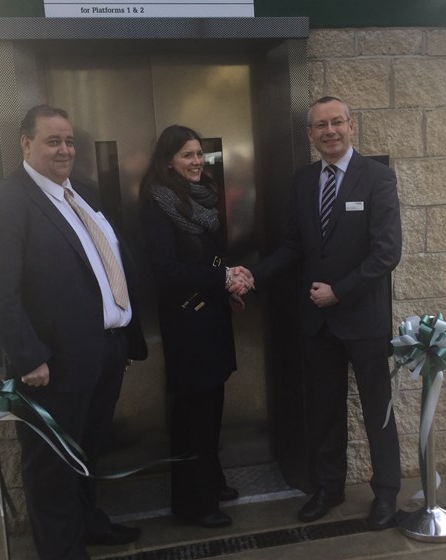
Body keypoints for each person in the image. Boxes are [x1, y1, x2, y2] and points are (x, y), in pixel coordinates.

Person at [0, 104, 148, 559]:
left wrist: (121, 336)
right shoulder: (2, 205)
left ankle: (89, 524)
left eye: (68, 140)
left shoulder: (83, 192)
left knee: (87, 452)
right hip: (51, 365)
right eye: (53, 141)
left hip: (104, 352)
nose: (64, 149)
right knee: (51, 465)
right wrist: (28, 357)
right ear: (26, 144)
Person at [236, 96, 402, 530]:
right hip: (318, 323)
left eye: (336, 122)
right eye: (320, 126)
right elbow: (294, 246)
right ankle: (329, 489)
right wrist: (253, 276)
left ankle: (386, 495)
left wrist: (339, 292)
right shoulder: (303, 181)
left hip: (363, 321)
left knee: (377, 412)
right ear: (309, 135)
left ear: (351, 125)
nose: (329, 131)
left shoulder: (378, 178)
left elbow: (386, 254)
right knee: (325, 411)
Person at [139, 125, 250, 529]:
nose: (196, 161)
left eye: (199, 154)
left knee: (211, 405)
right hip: (187, 324)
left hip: (211, 318)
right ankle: (192, 502)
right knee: (193, 414)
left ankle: (211, 480)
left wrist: (228, 286)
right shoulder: (157, 202)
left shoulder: (201, 198)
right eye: (187, 155)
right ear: (167, 159)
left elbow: (212, 259)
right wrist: (219, 279)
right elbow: (166, 271)